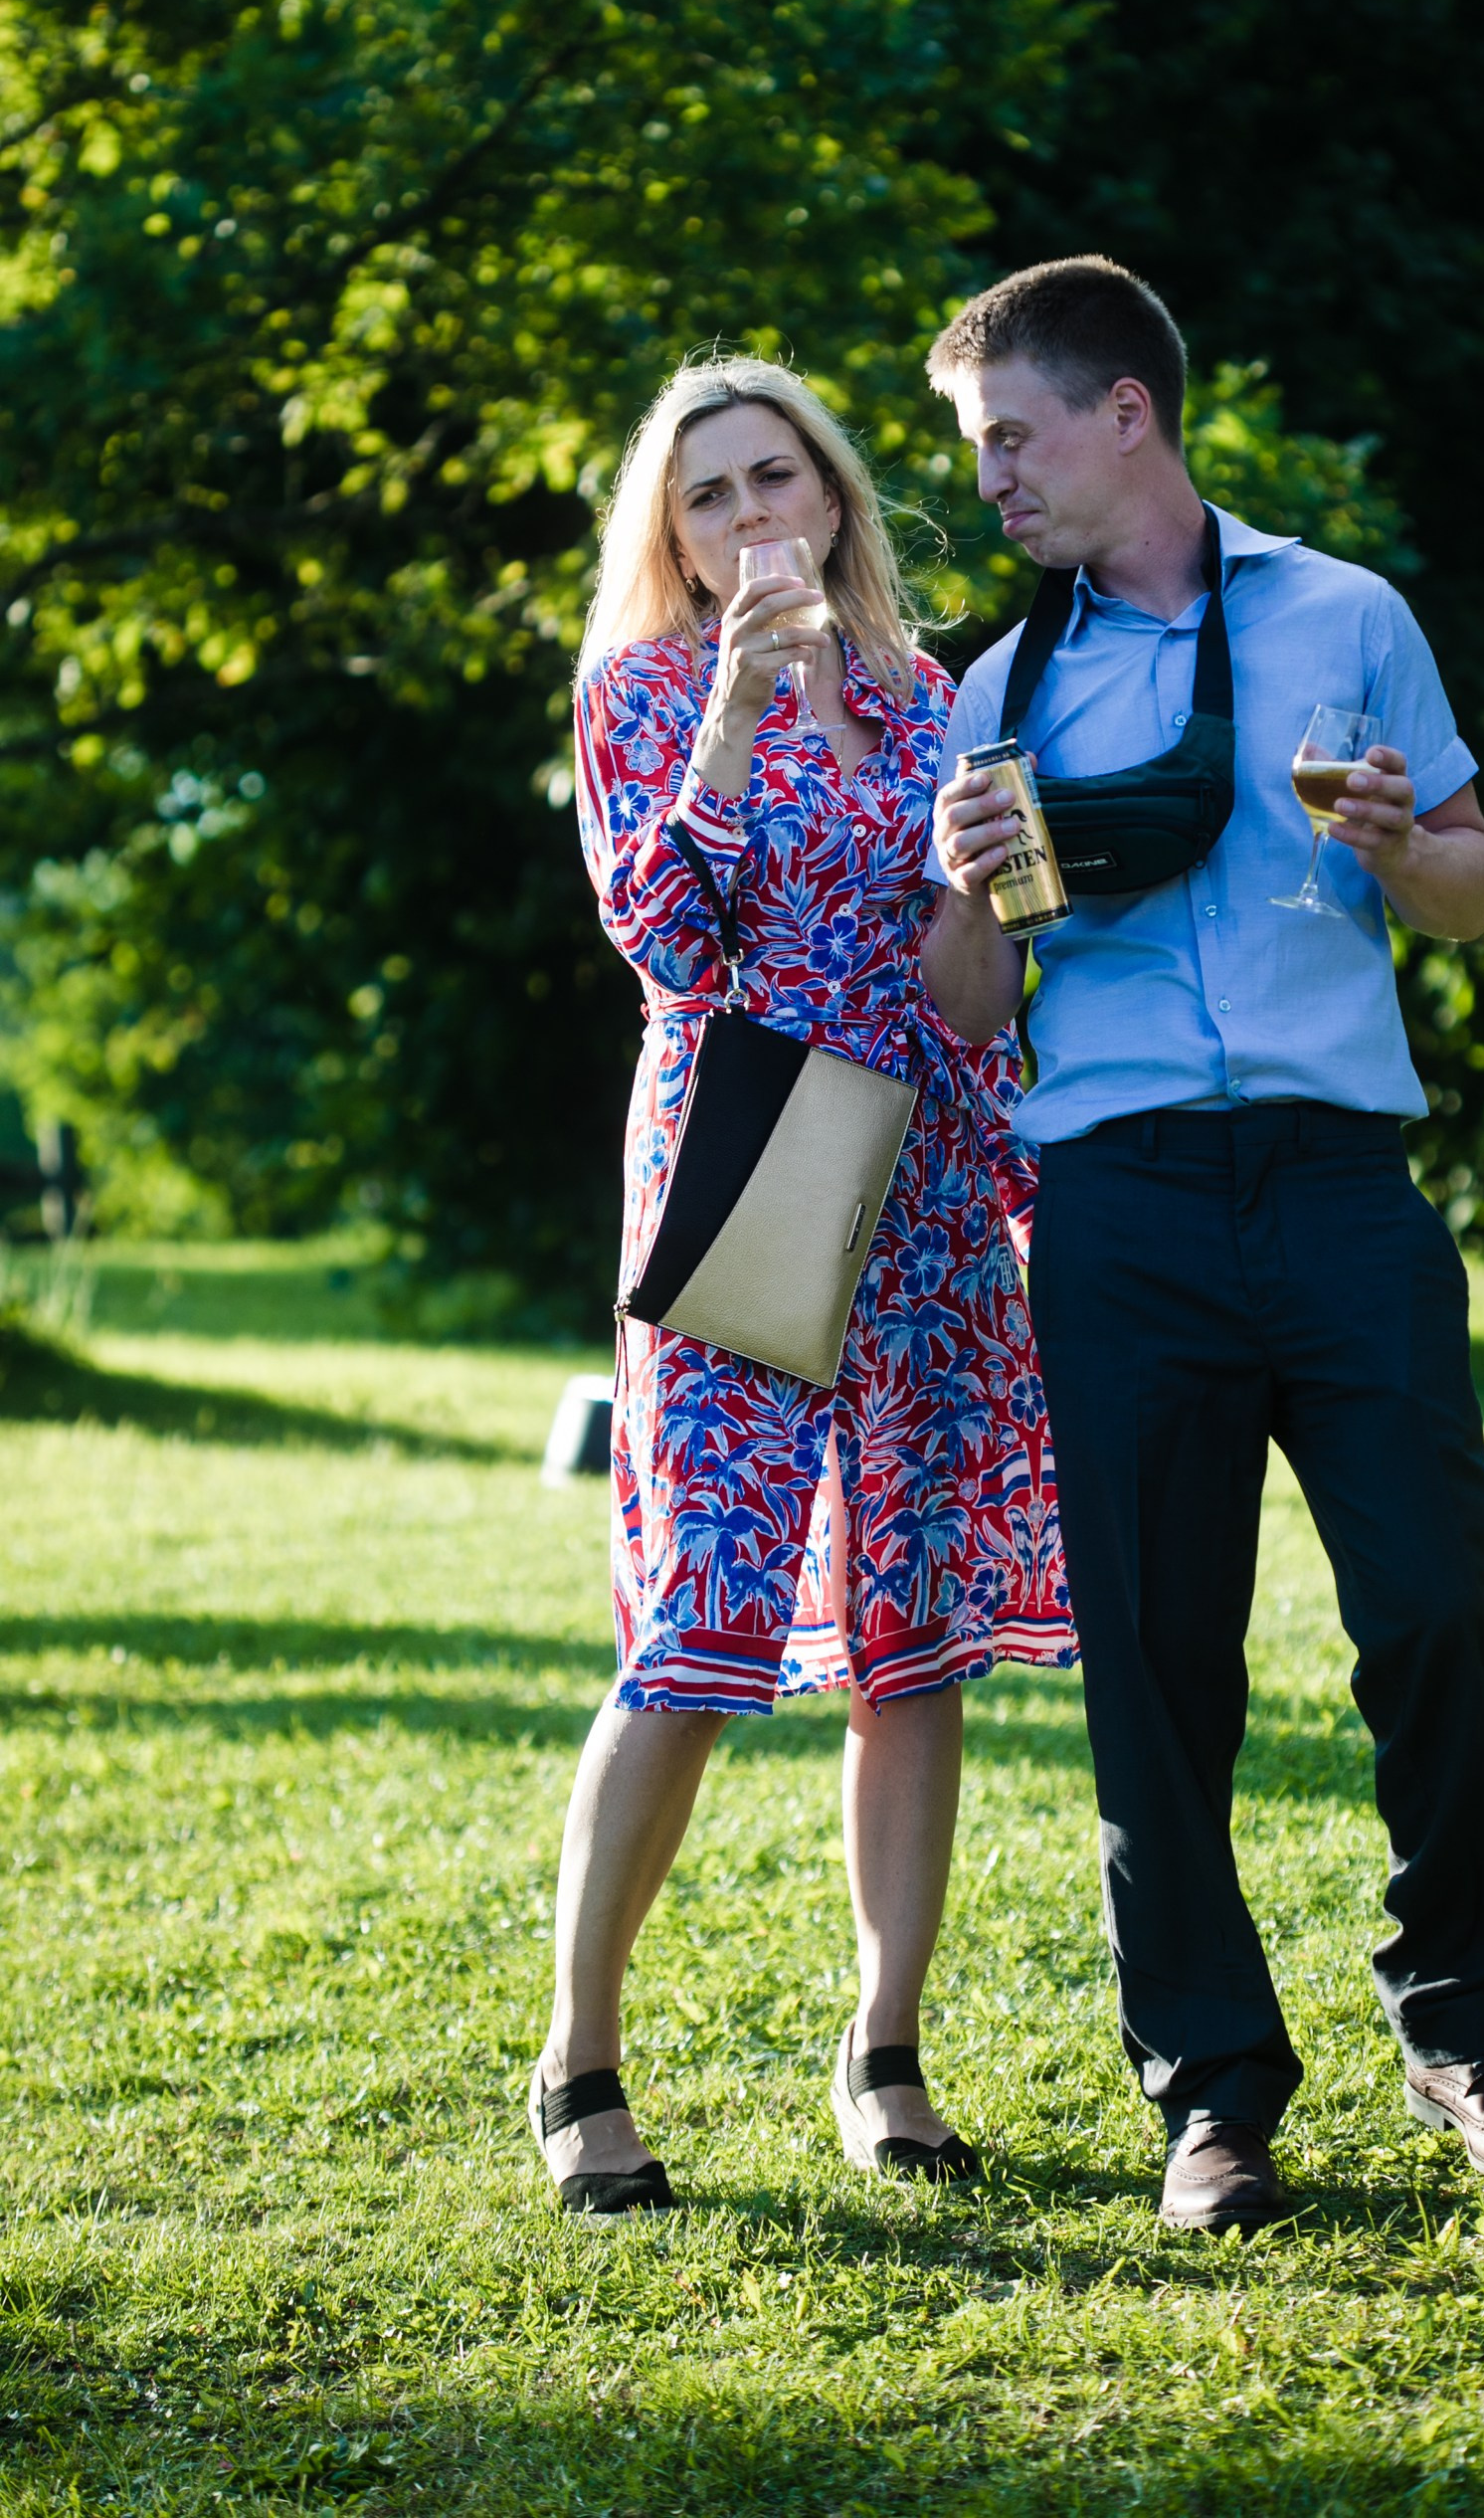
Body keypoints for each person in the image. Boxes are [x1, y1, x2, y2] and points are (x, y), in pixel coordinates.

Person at [922, 258, 1484, 2231]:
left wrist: (1405, 848)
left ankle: (1465, 2028)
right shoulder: (1005, 685)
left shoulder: (1343, 619)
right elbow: (970, 999)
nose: (993, 488)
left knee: (1435, 1602)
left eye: (1010, 441)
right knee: (1152, 1659)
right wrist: (970, 889)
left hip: (1335, 1188)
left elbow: (1470, 892)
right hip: (1117, 1206)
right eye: (979, 456)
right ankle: (1212, 2088)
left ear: (1124, 411)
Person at [534, 356, 1073, 2214]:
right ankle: (579, 2063)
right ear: (670, 538)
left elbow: (984, 999)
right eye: (711, 495)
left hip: (923, 1197)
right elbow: (669, 946)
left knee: (915, 1642)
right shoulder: (640, 692)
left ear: (839, 497)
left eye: (782, 478)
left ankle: (887, 2050)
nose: (754, 515)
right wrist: (738, 710)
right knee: (697, 1630)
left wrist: (993, 894)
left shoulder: (942, 705)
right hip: (752, 1173)